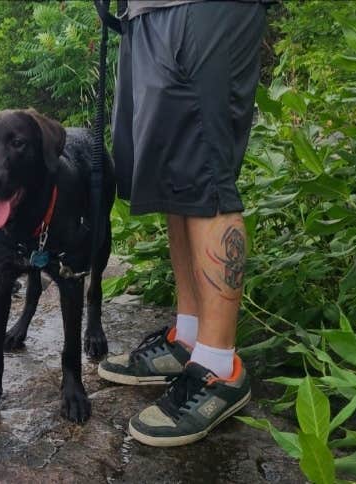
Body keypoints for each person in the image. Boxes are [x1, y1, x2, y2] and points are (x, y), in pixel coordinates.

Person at [96, 0, 270, 447]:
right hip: (146, 12)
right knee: (175, 175)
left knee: (204, 172)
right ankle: (189, 339)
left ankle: (219, 366)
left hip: (203, 8)